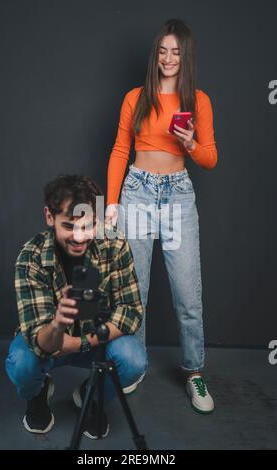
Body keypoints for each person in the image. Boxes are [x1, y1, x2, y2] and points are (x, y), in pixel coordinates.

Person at [106, 19, 217, 414]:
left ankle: (193, 371)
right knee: (136, 288)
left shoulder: (198, 100)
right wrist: (113, 203)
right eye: (163, 51)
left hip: (178, 197)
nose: (169, 58)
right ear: (156, 55)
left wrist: (191, 142)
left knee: (188, 290)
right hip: (136, 193)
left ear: (185, 58)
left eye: (177, 52)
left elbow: (210, 159)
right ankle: (134, 366)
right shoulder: (135, 97)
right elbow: (121, 149)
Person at [5, 174, 147, 439]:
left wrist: (80, 342)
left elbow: (131, 311)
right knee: (21, 364)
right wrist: (58, 324)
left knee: (133, 359)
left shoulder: (114, 243)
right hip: (49, 345)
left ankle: (91, 395)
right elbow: (40, 341)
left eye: (89, 226)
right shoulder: (31, 257)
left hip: (93, 342)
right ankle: (37, 394)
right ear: (50, 217)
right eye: (69, 226)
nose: (80, 237)